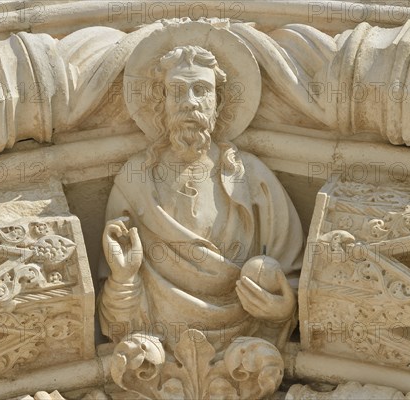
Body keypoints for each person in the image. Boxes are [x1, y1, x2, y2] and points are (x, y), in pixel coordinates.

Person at [99, 45, 304, 353]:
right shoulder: (135, 183)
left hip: (249, 347)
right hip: (155, 351)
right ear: (163, 103)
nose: (189, 102)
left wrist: (282, 310)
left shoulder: (252, 178)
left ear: (217, 103)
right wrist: (124, 278)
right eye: (177, 91)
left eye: (201, 90)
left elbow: (293, 280)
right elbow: (115, 318)